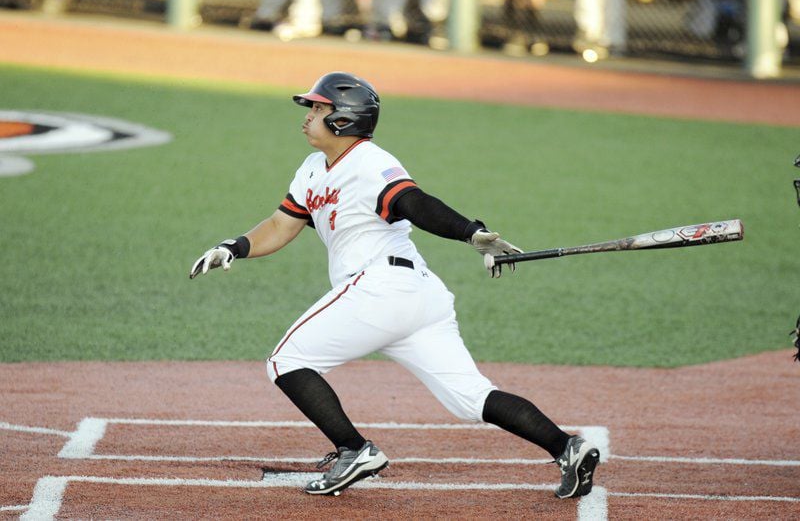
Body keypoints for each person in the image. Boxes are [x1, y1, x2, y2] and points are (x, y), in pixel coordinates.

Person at [189, 71, 600, 498]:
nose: (308, 115)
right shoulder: (313, 169)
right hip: (415, 296)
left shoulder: (369, 161)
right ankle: (567, 446)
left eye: (318, 107)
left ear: (344, 119)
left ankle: (354, 449)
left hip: (379, 287)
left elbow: (412, 202)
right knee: (471, 398)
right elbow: (280, 225)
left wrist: (469, 232)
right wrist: (234, 247)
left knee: (285, 361)